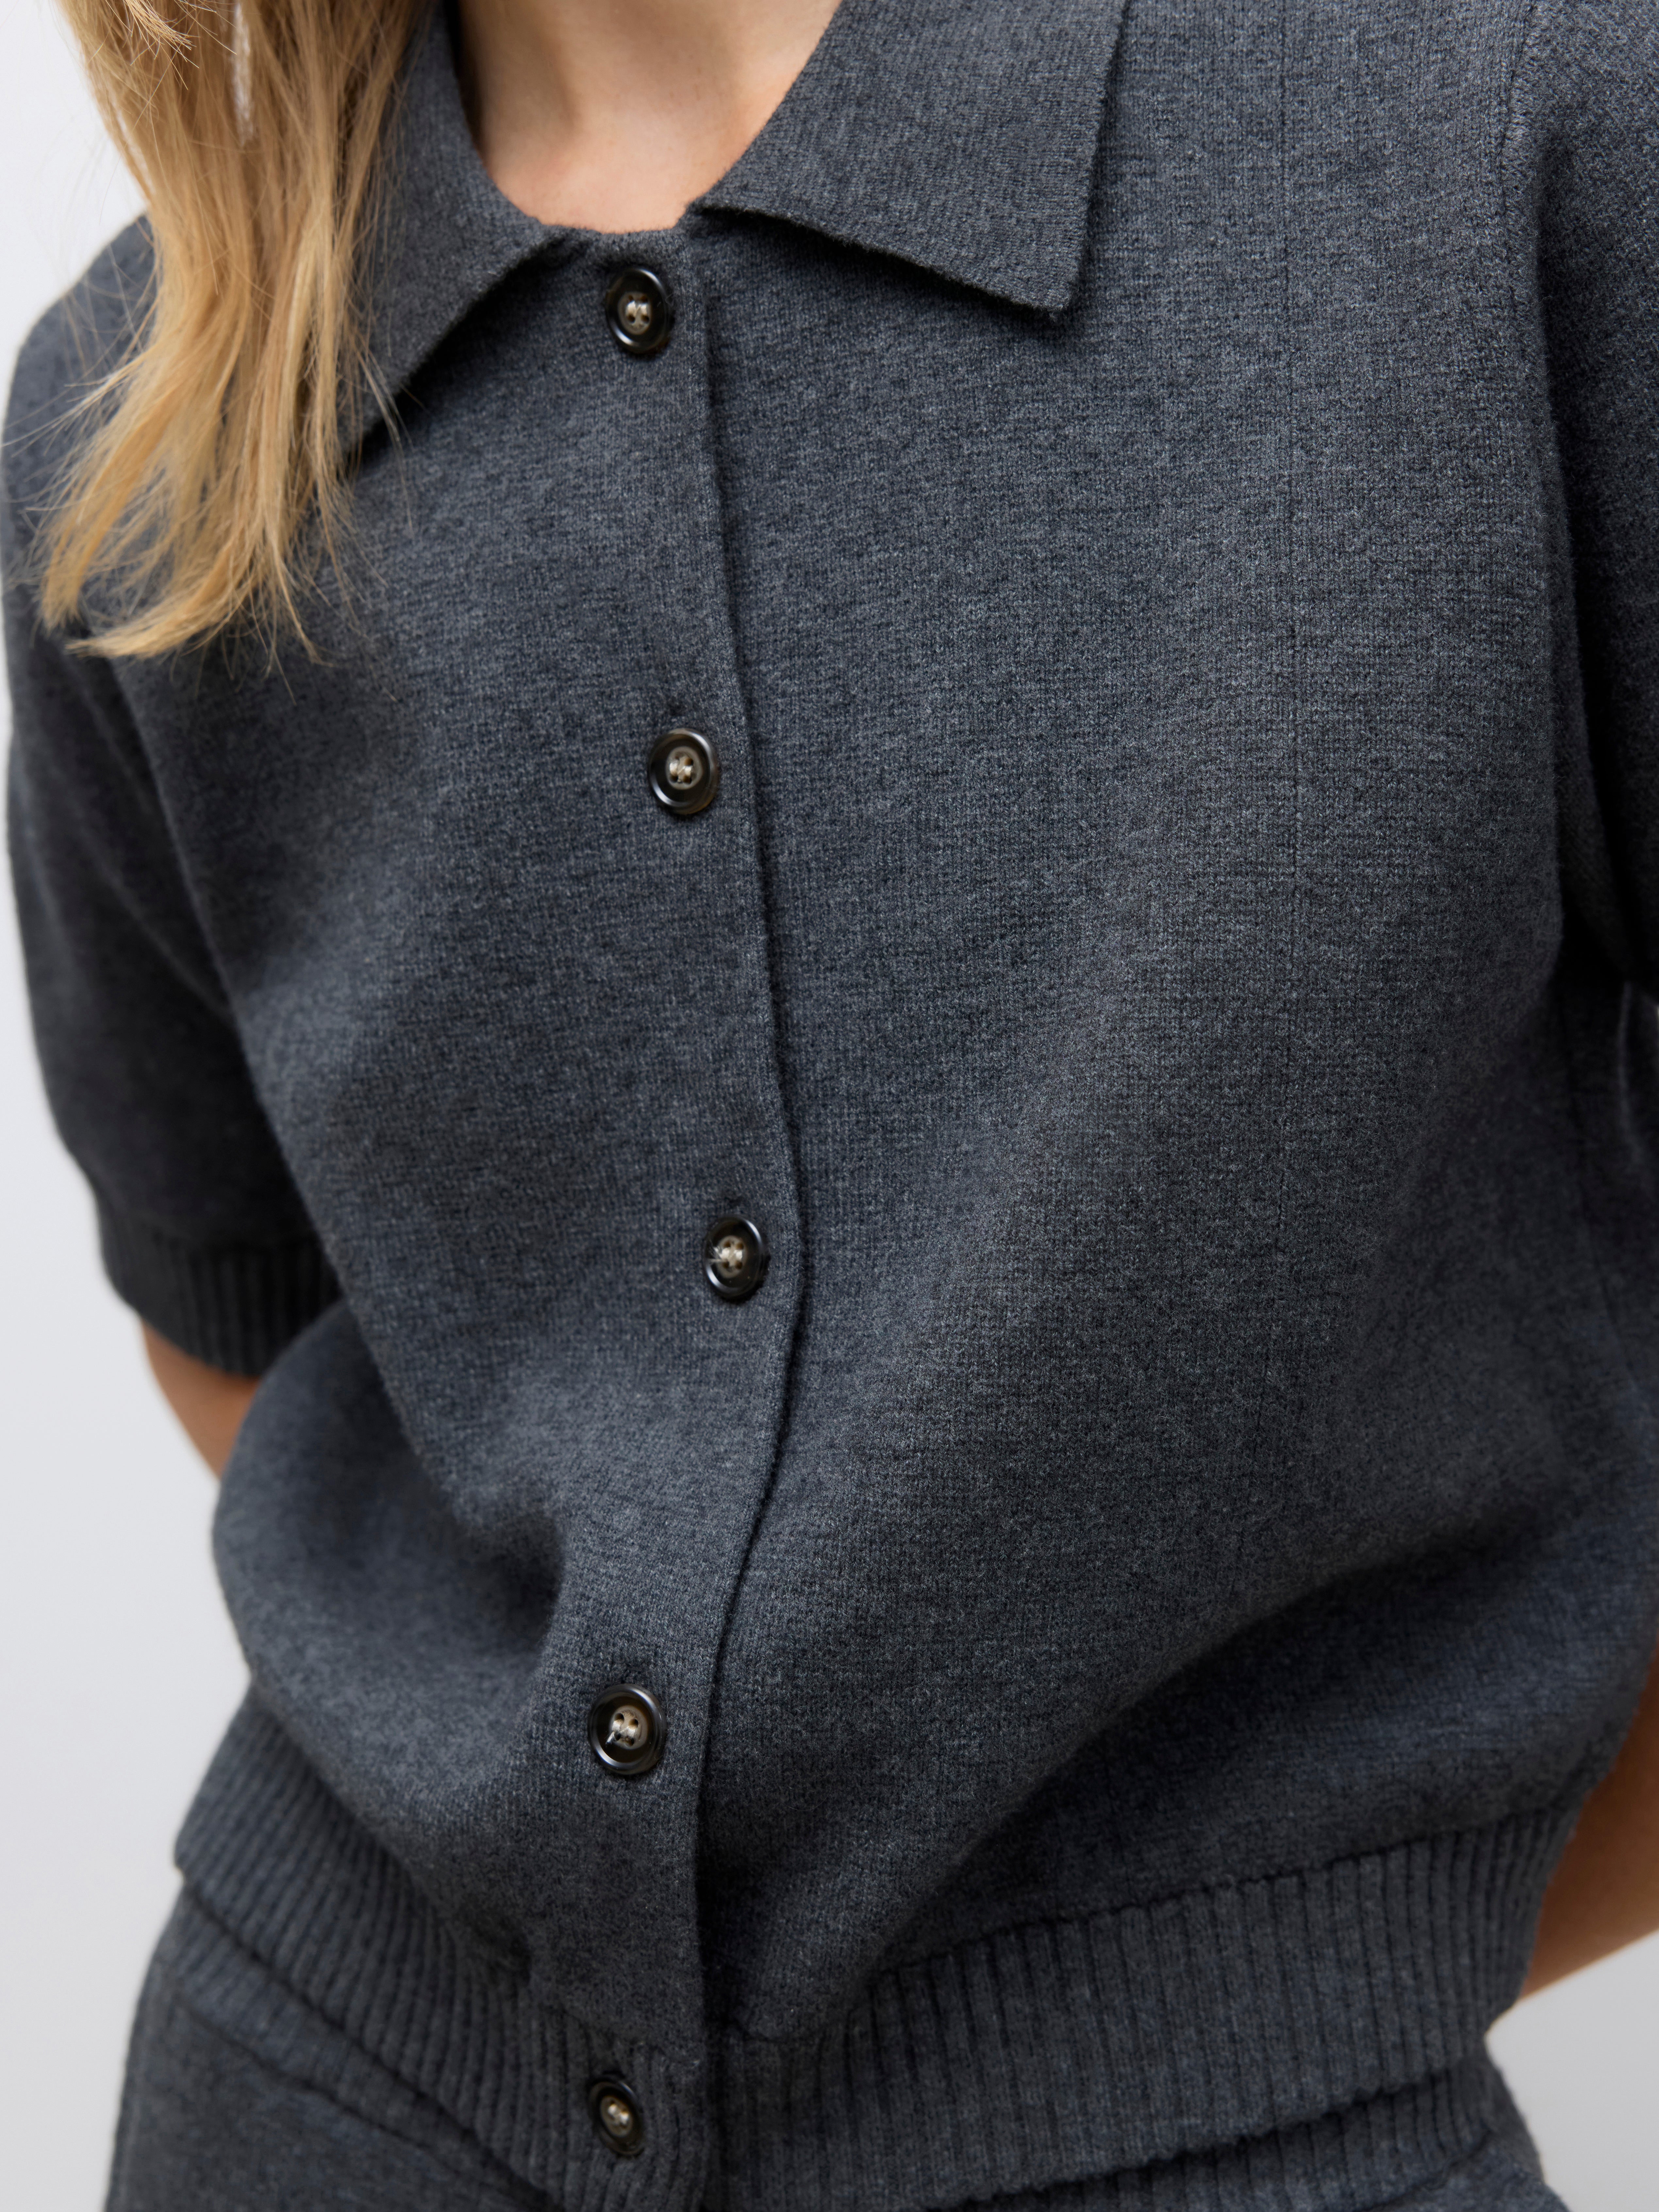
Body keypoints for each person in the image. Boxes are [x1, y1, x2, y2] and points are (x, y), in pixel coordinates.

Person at [6, 0, 1657, 2205]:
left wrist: (1281, 2002)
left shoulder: (1504, 130)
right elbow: (247, 1319)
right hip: (301, 2120)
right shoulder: (146, 412)